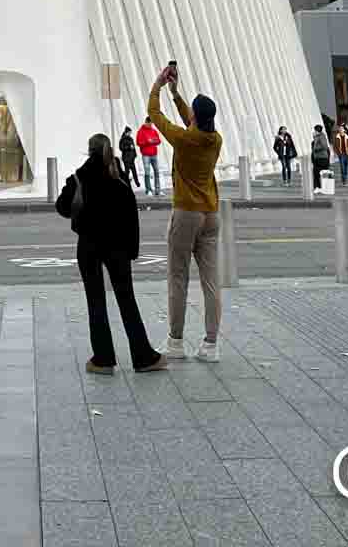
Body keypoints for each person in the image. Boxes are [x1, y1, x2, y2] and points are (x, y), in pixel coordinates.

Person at [57, 133, 164, 375]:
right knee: (127, 300)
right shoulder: (118, 177)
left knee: (95, 302)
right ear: (109, 149)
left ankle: (103, 359)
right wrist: (132, 249)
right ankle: (143, 357)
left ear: (89, 150)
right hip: (118, 248)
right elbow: (131, 216)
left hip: (88, 246)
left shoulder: (80, 177)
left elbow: (62, 207)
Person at [146, 60, 223, 362]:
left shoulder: (184, 139)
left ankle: (176, 342)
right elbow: (193, 119)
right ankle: (211, 345)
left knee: (178, 277)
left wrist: (158, 85)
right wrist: (177, 94)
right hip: (211, 214)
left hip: (186, 212)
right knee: (211, 281)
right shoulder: (214, 139)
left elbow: (155, 114)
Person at [135, 118, 163, 196]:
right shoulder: (140, 132)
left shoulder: (153, 131)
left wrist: (153, 141)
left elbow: (158, 140)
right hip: (146, 155)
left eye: (152, 124)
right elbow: (138, 142)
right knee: (147, 172)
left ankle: (158, 190)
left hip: (154, 154)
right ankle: (148, 190)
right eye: (150, 124)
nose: (151, 125)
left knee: (156, 171)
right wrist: (147, 141)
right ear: (146, 122)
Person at [309, 124, 330, 190]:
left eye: (314, 130)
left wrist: (316, 149)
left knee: (319, 173)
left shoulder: (321, 136)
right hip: (319, 158)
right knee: (317, 173)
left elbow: (325, 146)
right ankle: (319, 187)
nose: (313, 132)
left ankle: (321, 187)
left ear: (317, 131)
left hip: (321, 158)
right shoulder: (318, 137)